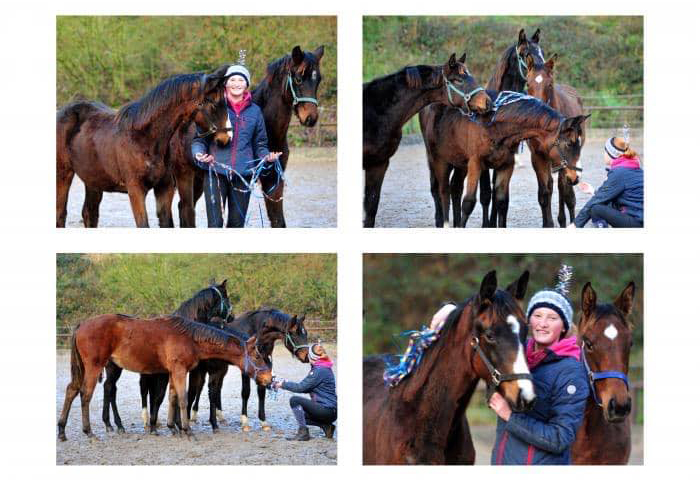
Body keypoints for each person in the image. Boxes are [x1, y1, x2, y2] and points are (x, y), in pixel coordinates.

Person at [489, 266, 589, 465]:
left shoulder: (571, 371)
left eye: (552, 318)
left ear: (563, 327)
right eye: (537, 315)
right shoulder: (517, 359)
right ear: (528, 319)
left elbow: (560, 437)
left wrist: (510, 416)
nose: (543, 323)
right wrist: (449, 309)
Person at [191, 63, 281, 227]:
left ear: (247, 84)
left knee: (237, 224)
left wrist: (267, 157)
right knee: (215, 224)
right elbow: (199, 140)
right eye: (232, 79)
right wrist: (198, 153)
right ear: (226, 83)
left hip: (243, 175)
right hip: (215, 173)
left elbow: (260, 144)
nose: (236, 83)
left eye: (241, 79)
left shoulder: (255, 111)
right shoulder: (213, 108)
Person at [569, 136, 643, 228]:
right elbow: (608, 195)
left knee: (596, 209)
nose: (604, 154)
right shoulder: (632, 166)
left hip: (637, 222)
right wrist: (593, 191)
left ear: (611, 154)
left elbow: (596, 200)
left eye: (605, 151)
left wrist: (575, 225)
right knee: (605, 203)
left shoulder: (619, 172)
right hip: (638, 216)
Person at [273, 343, 337, 441]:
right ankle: (326, 426)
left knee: (294, 401)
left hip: (326, 410)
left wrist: (283, 384)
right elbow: (306, 387)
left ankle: (303, 433)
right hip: (331, 411)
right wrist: (285, 383)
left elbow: (301, 387)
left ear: (312, 357)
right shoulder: (323, 367)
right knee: (300, 414)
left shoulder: (319, 371)